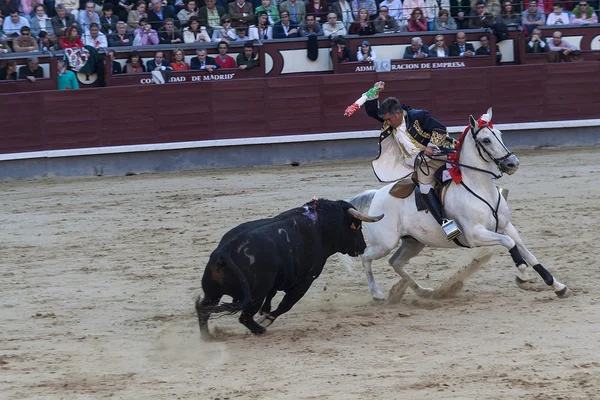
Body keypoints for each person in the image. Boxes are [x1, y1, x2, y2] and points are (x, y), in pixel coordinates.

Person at [364, 81, 460, 239]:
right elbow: (371, 111)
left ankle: (497, 193)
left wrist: (430, 145)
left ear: (397, 113)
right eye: (385, 120)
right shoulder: (390, 122)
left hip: (440, 154)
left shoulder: (418, 116)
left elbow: (440, 129)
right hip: (421, 164)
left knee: (468, 167)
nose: (386, 123)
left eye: (388, 119)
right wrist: (374, 91)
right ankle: (446, 224)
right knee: (425, 188)